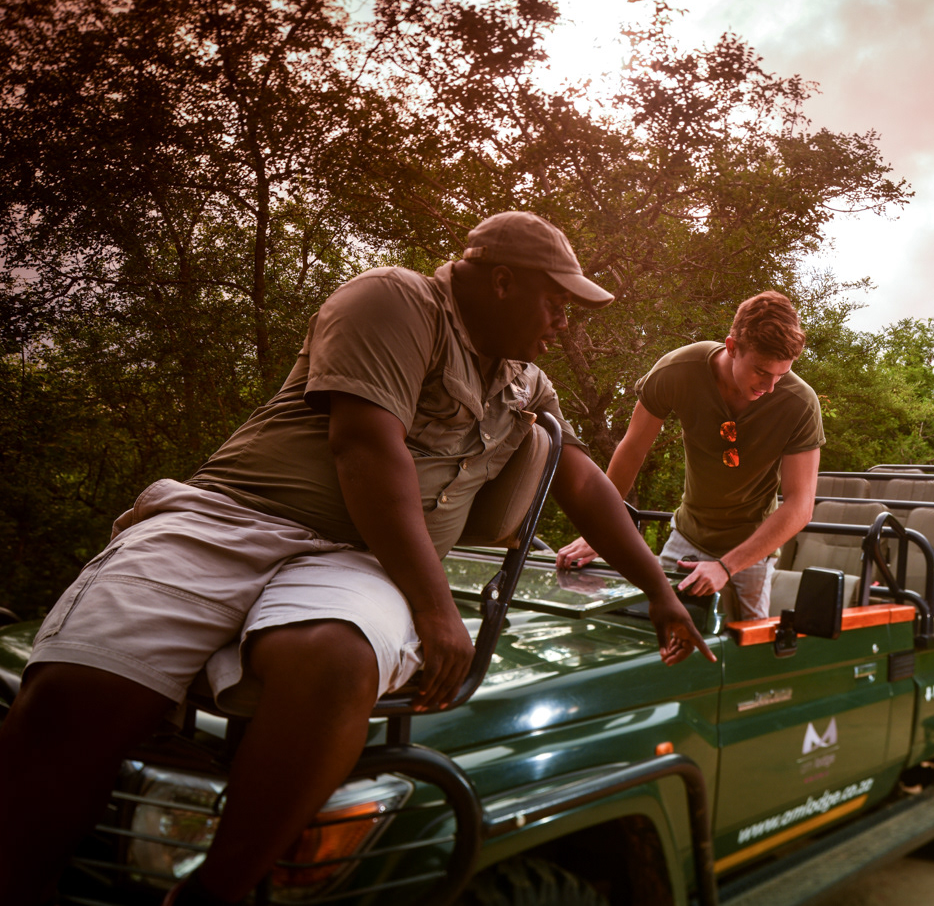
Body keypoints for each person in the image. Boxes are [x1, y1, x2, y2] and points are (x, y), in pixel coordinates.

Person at [0, 211, 715, 906]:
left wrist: (658, 591)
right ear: (502, 282)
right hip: (234, 519)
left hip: (366, 557)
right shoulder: (396, 299)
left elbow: (583, 484)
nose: (563, 322)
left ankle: (211, 893)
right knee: (80, 689)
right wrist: (436, 610)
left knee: (336, 660)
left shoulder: (525, 382)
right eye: (556, 301)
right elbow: (366, 447)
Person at [555, 292, 824, 620]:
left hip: (753, 547)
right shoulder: (679, 370)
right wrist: (599, 532)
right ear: (732, 347)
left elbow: (800, 506)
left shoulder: (800, 404)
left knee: (745, 643)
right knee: (655, 623)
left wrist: (726, 567)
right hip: (687, 535)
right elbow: (633, 449)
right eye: (761, 372)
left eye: (781, 375)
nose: (770, 386)